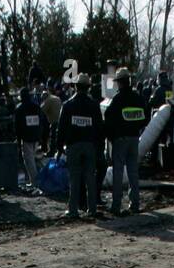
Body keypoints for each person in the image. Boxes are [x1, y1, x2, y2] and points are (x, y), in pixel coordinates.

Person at [56, 72, 103, 220]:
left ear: (76, 87)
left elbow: (61, 128)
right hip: (90, 146)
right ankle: (92, 209)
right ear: (88, 87)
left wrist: (58, 148)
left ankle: (73, 210)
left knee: (74, 178)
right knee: (90, 177)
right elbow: (99, 128)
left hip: (73, 146)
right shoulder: (94, 105)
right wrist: (99, 148)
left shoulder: (68, 105)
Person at [104, 66, 145, 216]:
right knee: (133, 172)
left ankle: (116, 206)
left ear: (119, 83)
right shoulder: (138, 98)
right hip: (134, 138)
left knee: (118, 173)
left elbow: (108, 118)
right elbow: (144, 118)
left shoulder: (118, 99)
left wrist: (111, 136)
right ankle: (135, 204)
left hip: (120, 139)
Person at [14, 87, 42, 190]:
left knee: (29, 160)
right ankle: (35, 180)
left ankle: (35, 182)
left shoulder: (19, 108)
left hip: (26, 138)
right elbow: (41, 121)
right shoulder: (36, 106)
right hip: (36, 136)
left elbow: (17, 127)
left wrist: (18, 139)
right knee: (34, 159)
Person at [41, 82, 62, 155]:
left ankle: (51, 152)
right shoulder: (56, 98)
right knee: (57, 137)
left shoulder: (48, 100)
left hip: (54, 121)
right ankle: (57, 150)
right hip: (60, 120)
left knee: (52, 137)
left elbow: (41, 110)